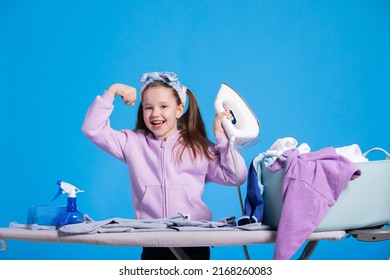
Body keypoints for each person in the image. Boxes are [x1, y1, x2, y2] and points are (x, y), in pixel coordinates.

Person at [82, 71, 247, 260]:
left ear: (179, 109)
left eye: (163, 106)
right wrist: (112, 91)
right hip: (152, 240)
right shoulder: (131, 142)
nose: (155, 113)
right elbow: (92, 128)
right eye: (148, 107)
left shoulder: (197, 146)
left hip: (195, 240)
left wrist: (222, 138)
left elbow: (237, 176)